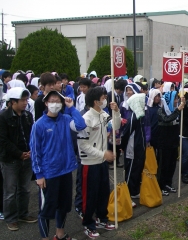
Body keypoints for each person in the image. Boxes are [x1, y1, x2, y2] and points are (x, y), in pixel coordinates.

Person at [30, 90, 86, 240]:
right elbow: (35, 151)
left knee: (63, 205)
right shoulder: (39, 125)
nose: (54, 104)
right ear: (46, 103)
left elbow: (81, 125)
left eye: (57, 101)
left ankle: (60, 234)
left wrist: (71, 107)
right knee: (46, 209)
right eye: (51, 101)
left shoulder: (66, 119)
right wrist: (39, 175)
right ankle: (45, 237)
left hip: (66, 170)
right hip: (49, 173)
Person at [76, 87, 119, 238]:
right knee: (90, 196)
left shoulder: (103, 115)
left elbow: (116, 126)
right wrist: (103, 154)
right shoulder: (86, 119)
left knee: (103, 192)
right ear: (95, 101)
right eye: (103, 98)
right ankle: (88, 224)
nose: (105, 100)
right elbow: (83, 145)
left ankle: (102, 218)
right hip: (89, 163)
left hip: (101, 162)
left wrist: (117, 112)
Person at [0, 87, 37, 231]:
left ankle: (23, 213)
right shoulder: (3, 117)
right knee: (10, 190)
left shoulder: (27, 115)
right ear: (12, 102)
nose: (25, 103)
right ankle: (11, 218)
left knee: (25, 188)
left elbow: (31, 134)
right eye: (22, 100)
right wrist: (18, 153)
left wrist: (30, 151)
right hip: (10, 159)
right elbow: (3, 140)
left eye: (26, 100)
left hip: (27, 157)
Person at [119, 93, 147, 205]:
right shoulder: (133, 117)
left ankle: (134, 191)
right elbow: (125, 134)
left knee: (137, 170)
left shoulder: (140, 115)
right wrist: (122, 147)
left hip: (139, 147)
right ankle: (127, 195)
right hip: (132, 149)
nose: (144, 104)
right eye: (142, 102)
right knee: (130, 171)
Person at [156, 91, 185, 194]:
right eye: (175, 99)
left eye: (177, 99)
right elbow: (166, 119)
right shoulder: (161, 110)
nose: (176, 101)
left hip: (173, 141)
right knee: (164, 165)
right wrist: (178, 110)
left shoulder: (175, 110)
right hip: (164, 142)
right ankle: (161, 186)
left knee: (172, 164)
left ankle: (168, 184)